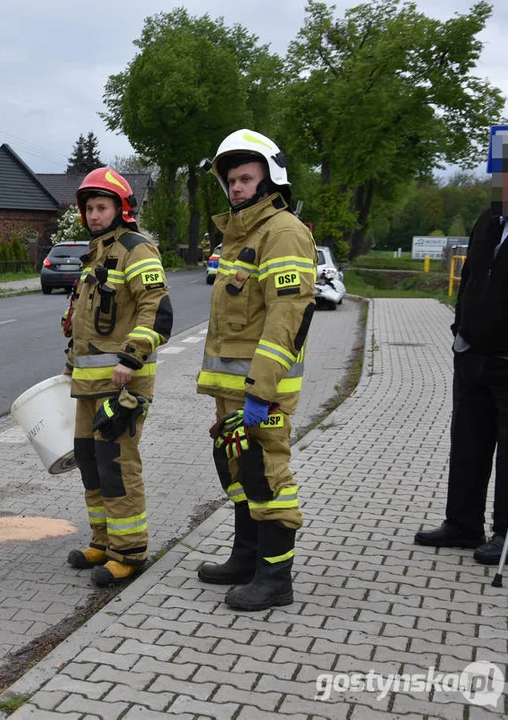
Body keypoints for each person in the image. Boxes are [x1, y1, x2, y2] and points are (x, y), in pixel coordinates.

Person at [196, 129, 317, 610]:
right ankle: (245, 558)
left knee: (268, 476)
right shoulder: (239, 236)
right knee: (239, 471)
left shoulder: (282, 232)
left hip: (262, 391)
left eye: (246, 178)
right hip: (234, 392)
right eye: (231, 180)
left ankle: (275, 580)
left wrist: (260, 391)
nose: (237, 187)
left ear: (271, 180)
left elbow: (287, 318)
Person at [62, 167, 174, 586]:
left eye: (101, 206)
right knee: (91, 463)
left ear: (121, 208)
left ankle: (129, 553)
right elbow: (86, 319)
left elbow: (156, 311)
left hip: (124, 383)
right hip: (89, 384)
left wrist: (132, 357)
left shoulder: (137, 249)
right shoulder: (96, 251)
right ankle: (103, 541)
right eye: (89, 208)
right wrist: (72, 359)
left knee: (118, 466)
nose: (93, 215)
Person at [414, 125, 508, 566]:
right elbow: (472, 278)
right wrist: (460, 331)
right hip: (472, 353)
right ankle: (463, 523)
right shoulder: (487, 221)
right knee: (469, 443)